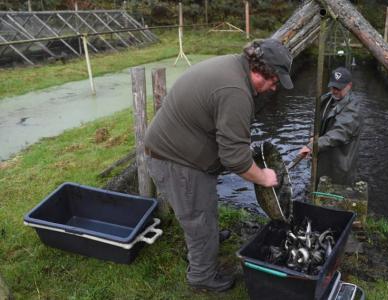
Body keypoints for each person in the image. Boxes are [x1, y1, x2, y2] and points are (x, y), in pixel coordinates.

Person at [144, 39, 293, 292]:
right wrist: (264, 177)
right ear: (260, 71)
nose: (273, 87)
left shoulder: (234, 66)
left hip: (184, 151)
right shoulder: (235, 92)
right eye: (274, 80)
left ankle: (207, 241)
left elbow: (230, 139)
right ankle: (202, 277)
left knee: (203, 207)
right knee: (197, 220)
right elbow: (235, 158)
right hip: (176, 160)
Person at [298, 66, 361, 185]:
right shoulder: (325, 99)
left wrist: (314, 146)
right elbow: (316, 120)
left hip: (339, 165)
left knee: (332, 193)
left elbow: (340, 132)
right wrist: (313, 136)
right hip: (322, 158)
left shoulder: (353, 110)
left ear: (350, 86)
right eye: (332, 86)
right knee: (317, 187)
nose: (334, 90)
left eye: (339, 88)